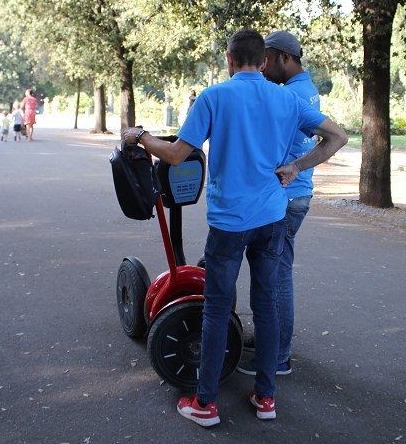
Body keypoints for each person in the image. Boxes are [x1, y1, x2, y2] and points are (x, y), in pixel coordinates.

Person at [122, 28, 347, 427]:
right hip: (272, 218)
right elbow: (337, 137)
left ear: (229, 59)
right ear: (263, 62)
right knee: (266, 306)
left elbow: (176, 155)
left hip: (228, 223)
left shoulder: (214, 97)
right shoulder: (287, 99)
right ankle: (266, 399)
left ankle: (205, 404)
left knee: (216, 309)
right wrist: (296, 167)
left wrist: (140, 136)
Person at [236, 31, 319, 377]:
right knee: (274, 272)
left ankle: (279, 355)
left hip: (287, 197)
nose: (264, 66)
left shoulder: (295, 95)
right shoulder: (305, 90)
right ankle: (271, 339)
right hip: (294, 194)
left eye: (268, 59)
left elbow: (333, 137)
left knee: (278, 276)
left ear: (285, 57)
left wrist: (296, 167)